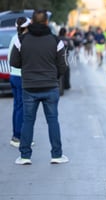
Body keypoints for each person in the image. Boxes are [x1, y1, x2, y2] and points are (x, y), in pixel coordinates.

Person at [10, 9, 68, 165]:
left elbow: (14, 62)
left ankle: (25, 156)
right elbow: (63, 66)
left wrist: (28, 68)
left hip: (29, 87)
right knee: (53, 121)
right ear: (46, 22)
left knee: (28, 121)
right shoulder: (56, 41)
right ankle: (56, 155)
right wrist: (52, 77)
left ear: (32, 22)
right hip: (50, 87)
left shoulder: (20, 40)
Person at [7, 17, 30, 148]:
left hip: (13, 76)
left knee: (17, 107)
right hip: (21, 77)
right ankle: (18, 137)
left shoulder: (14, 38)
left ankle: (16, 135)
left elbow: (10, 58)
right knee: (22, 108)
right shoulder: (24, 40)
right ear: (26, 27)